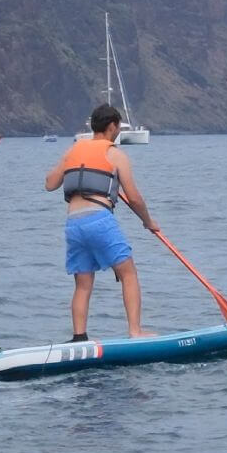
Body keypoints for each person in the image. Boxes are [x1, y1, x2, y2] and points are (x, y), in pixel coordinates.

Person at [45, 104, 160, 341]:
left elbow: (49, 183)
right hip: (98, 219)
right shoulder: (115, 154)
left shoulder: (73, 150)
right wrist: (148, 222)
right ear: (112, 126)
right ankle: (135, 331)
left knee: (83, 283)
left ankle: (79, 337)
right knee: (128, 274)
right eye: (117, 127)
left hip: (73, 224)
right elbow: (135, 198)